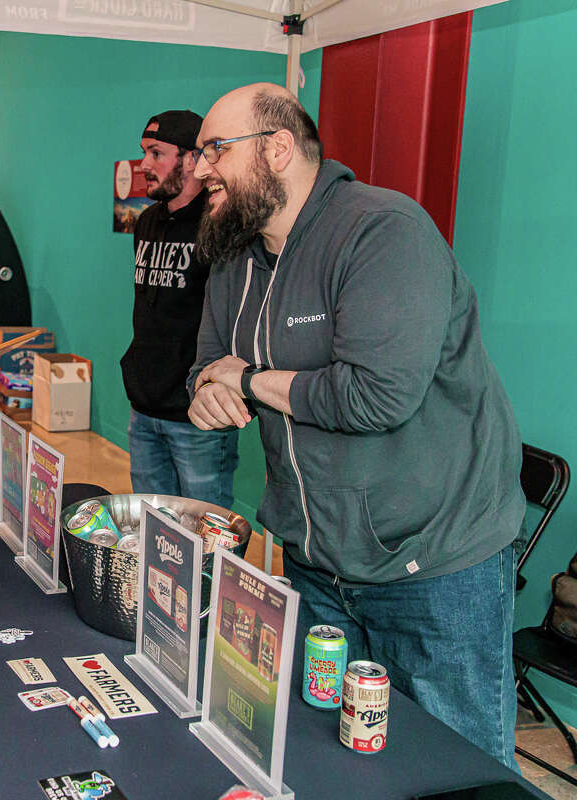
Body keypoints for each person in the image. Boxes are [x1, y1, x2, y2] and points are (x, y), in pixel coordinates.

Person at [186, 83, 524, 768]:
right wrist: (205, 394)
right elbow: (206, 367)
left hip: (433, 567)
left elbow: (377, 396)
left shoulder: (383, 231)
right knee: (333, 760)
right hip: (317, 564)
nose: (198, 170)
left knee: (455, 768)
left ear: (278, 150)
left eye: (214, 149)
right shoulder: (234, 258)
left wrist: (248, 382)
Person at [121, 110, 238, 505]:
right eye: (144, 154)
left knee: (207, 537)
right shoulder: (147, 222)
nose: (144, 166)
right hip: (145, 408)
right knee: (154, 532)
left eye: (156, 153)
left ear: (192, 159)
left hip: (197, 415)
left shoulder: (219, 223)